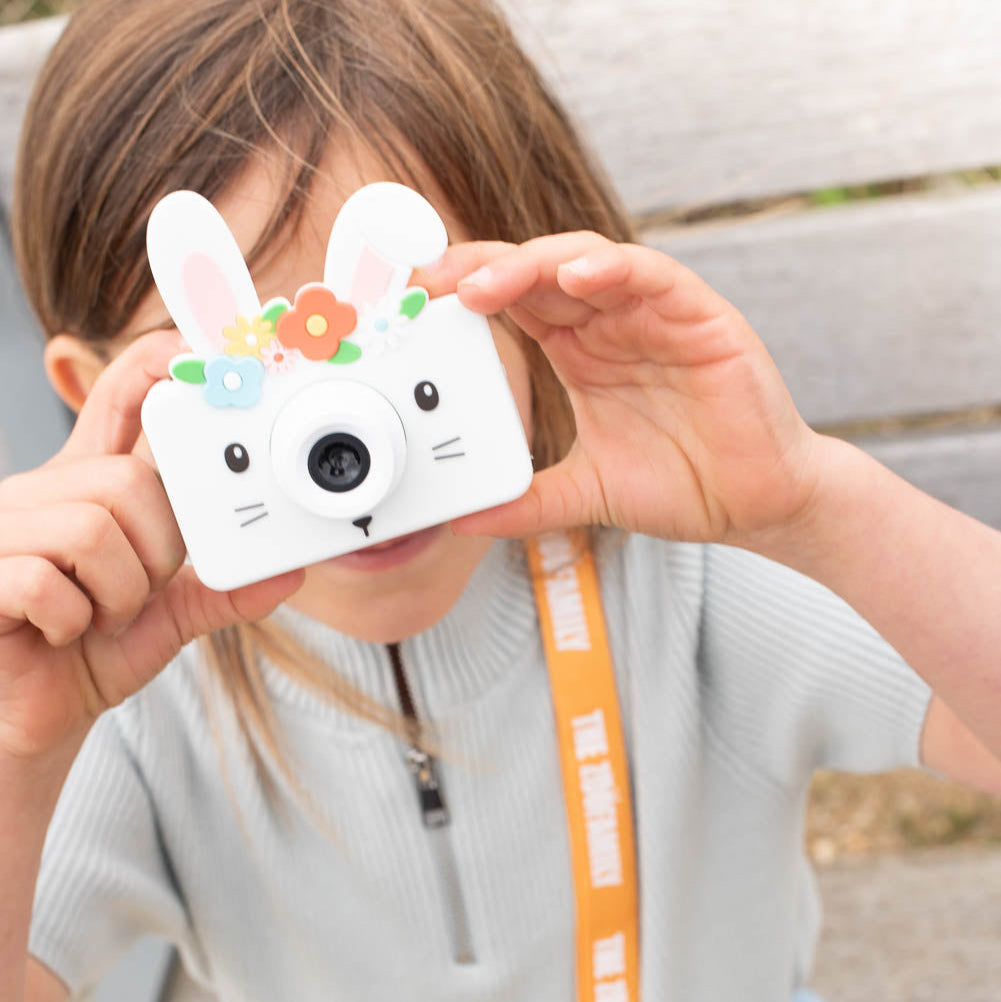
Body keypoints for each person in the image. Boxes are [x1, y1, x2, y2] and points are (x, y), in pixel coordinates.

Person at [2, 0, 1001, 1000]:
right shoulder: (124, 703)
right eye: (247, 381)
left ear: (536, 305)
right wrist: (16, 748)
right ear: (108, 405)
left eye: (396, 344)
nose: (347, 451)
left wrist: (814, 506)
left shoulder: (694, 588)